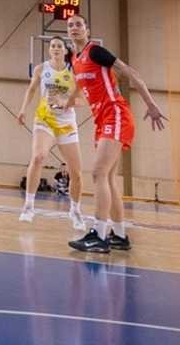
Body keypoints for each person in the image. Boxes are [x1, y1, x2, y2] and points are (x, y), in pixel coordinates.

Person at [66, 13, 166, 253]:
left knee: (98, 173)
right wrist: (67, 102)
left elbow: (130, 72)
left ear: (87, 30)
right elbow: (80, 86)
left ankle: (99, 235)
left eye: (79, 24)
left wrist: (151, 104)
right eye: (70, 25)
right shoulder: (74, 59)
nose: (74, 28)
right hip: (101, 120)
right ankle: (119, 235)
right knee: (108, 178)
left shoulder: (96, 51)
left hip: (116, 113)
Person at [16, 37, 85, 230]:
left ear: (65, 50)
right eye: (52, 46)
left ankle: (75, 210)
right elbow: (31, 90)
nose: (55, 48)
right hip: (44, 119)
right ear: (49, 50)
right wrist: (23, 110)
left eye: (59, 46)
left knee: (76, 173)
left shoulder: (73, 71)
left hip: (66, 123)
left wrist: (65, 102)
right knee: (38, 157)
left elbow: (82, 100)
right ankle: (29, 206)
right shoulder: (41, 69)